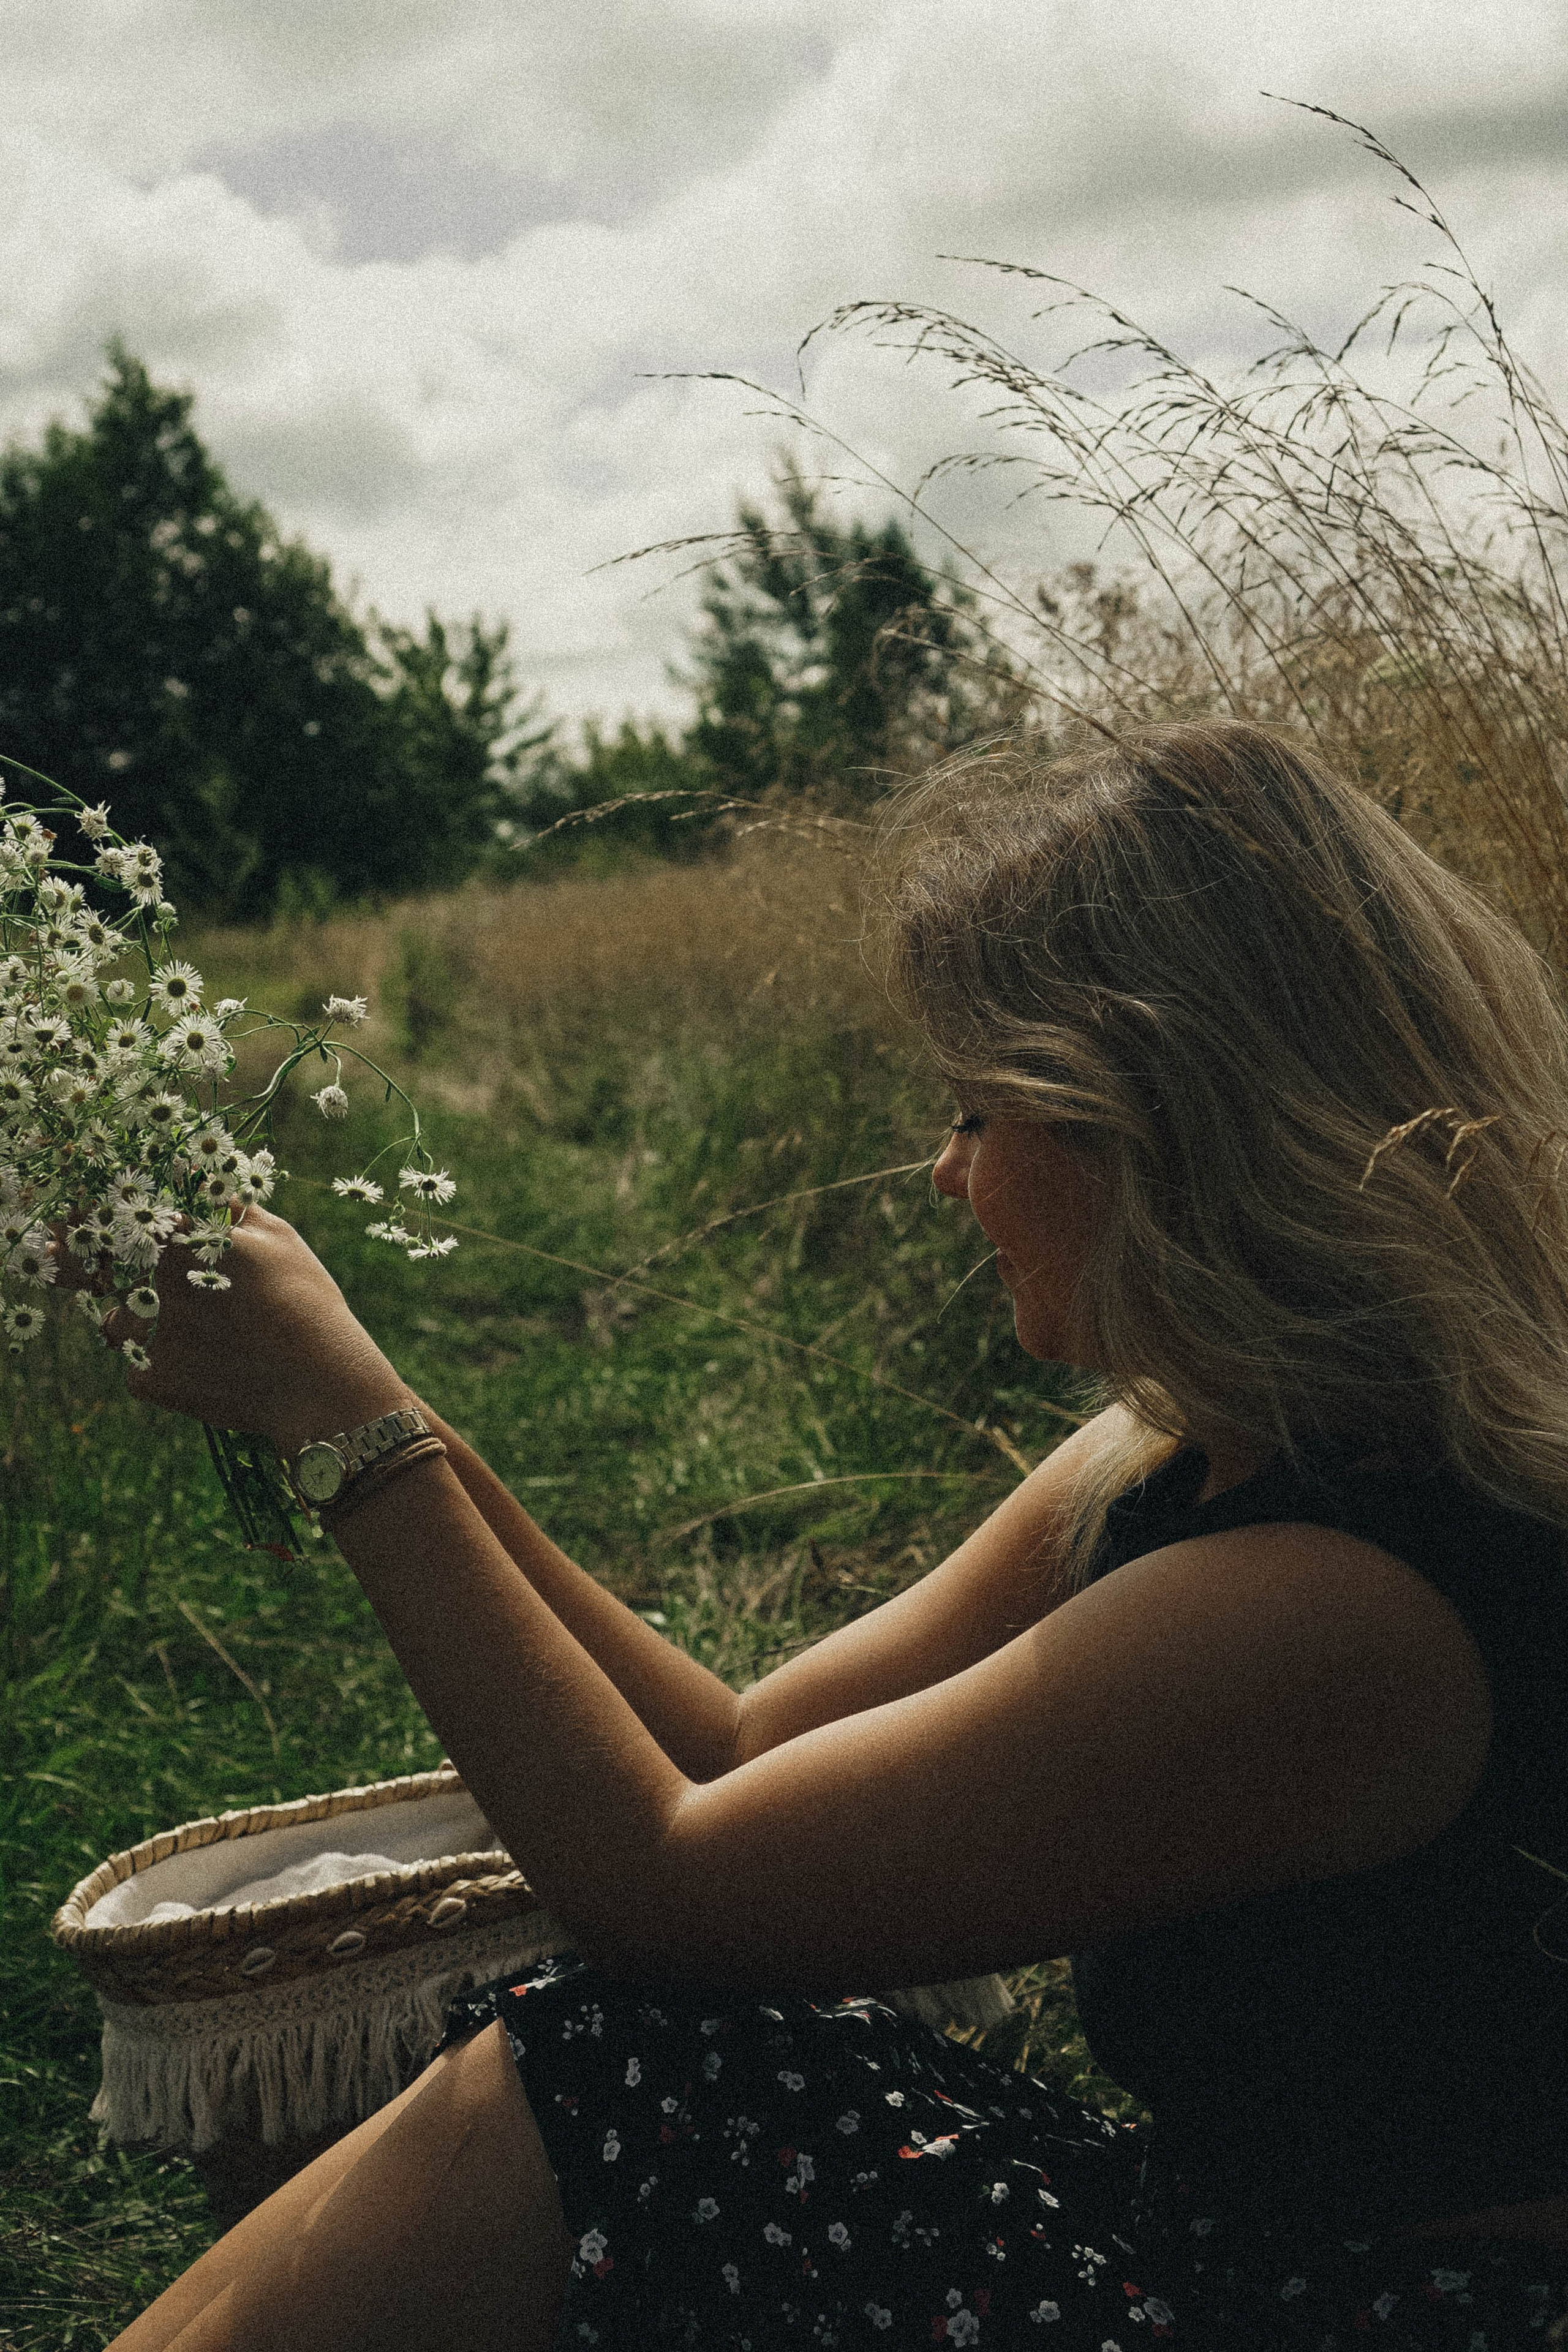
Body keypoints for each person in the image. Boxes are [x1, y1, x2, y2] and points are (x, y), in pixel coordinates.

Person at [91, 719, 1568, 2350]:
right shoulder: (1178, 1448)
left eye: (976, 1110)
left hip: (1371, 2312)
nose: (944, 1172)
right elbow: (740, 1746)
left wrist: (348, 1438)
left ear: (1148, 1119)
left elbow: (675, 1891)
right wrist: (382, 1404)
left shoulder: (1336, 1604)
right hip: (1225, 2241)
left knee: (617, 2073)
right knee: (621, 2071)